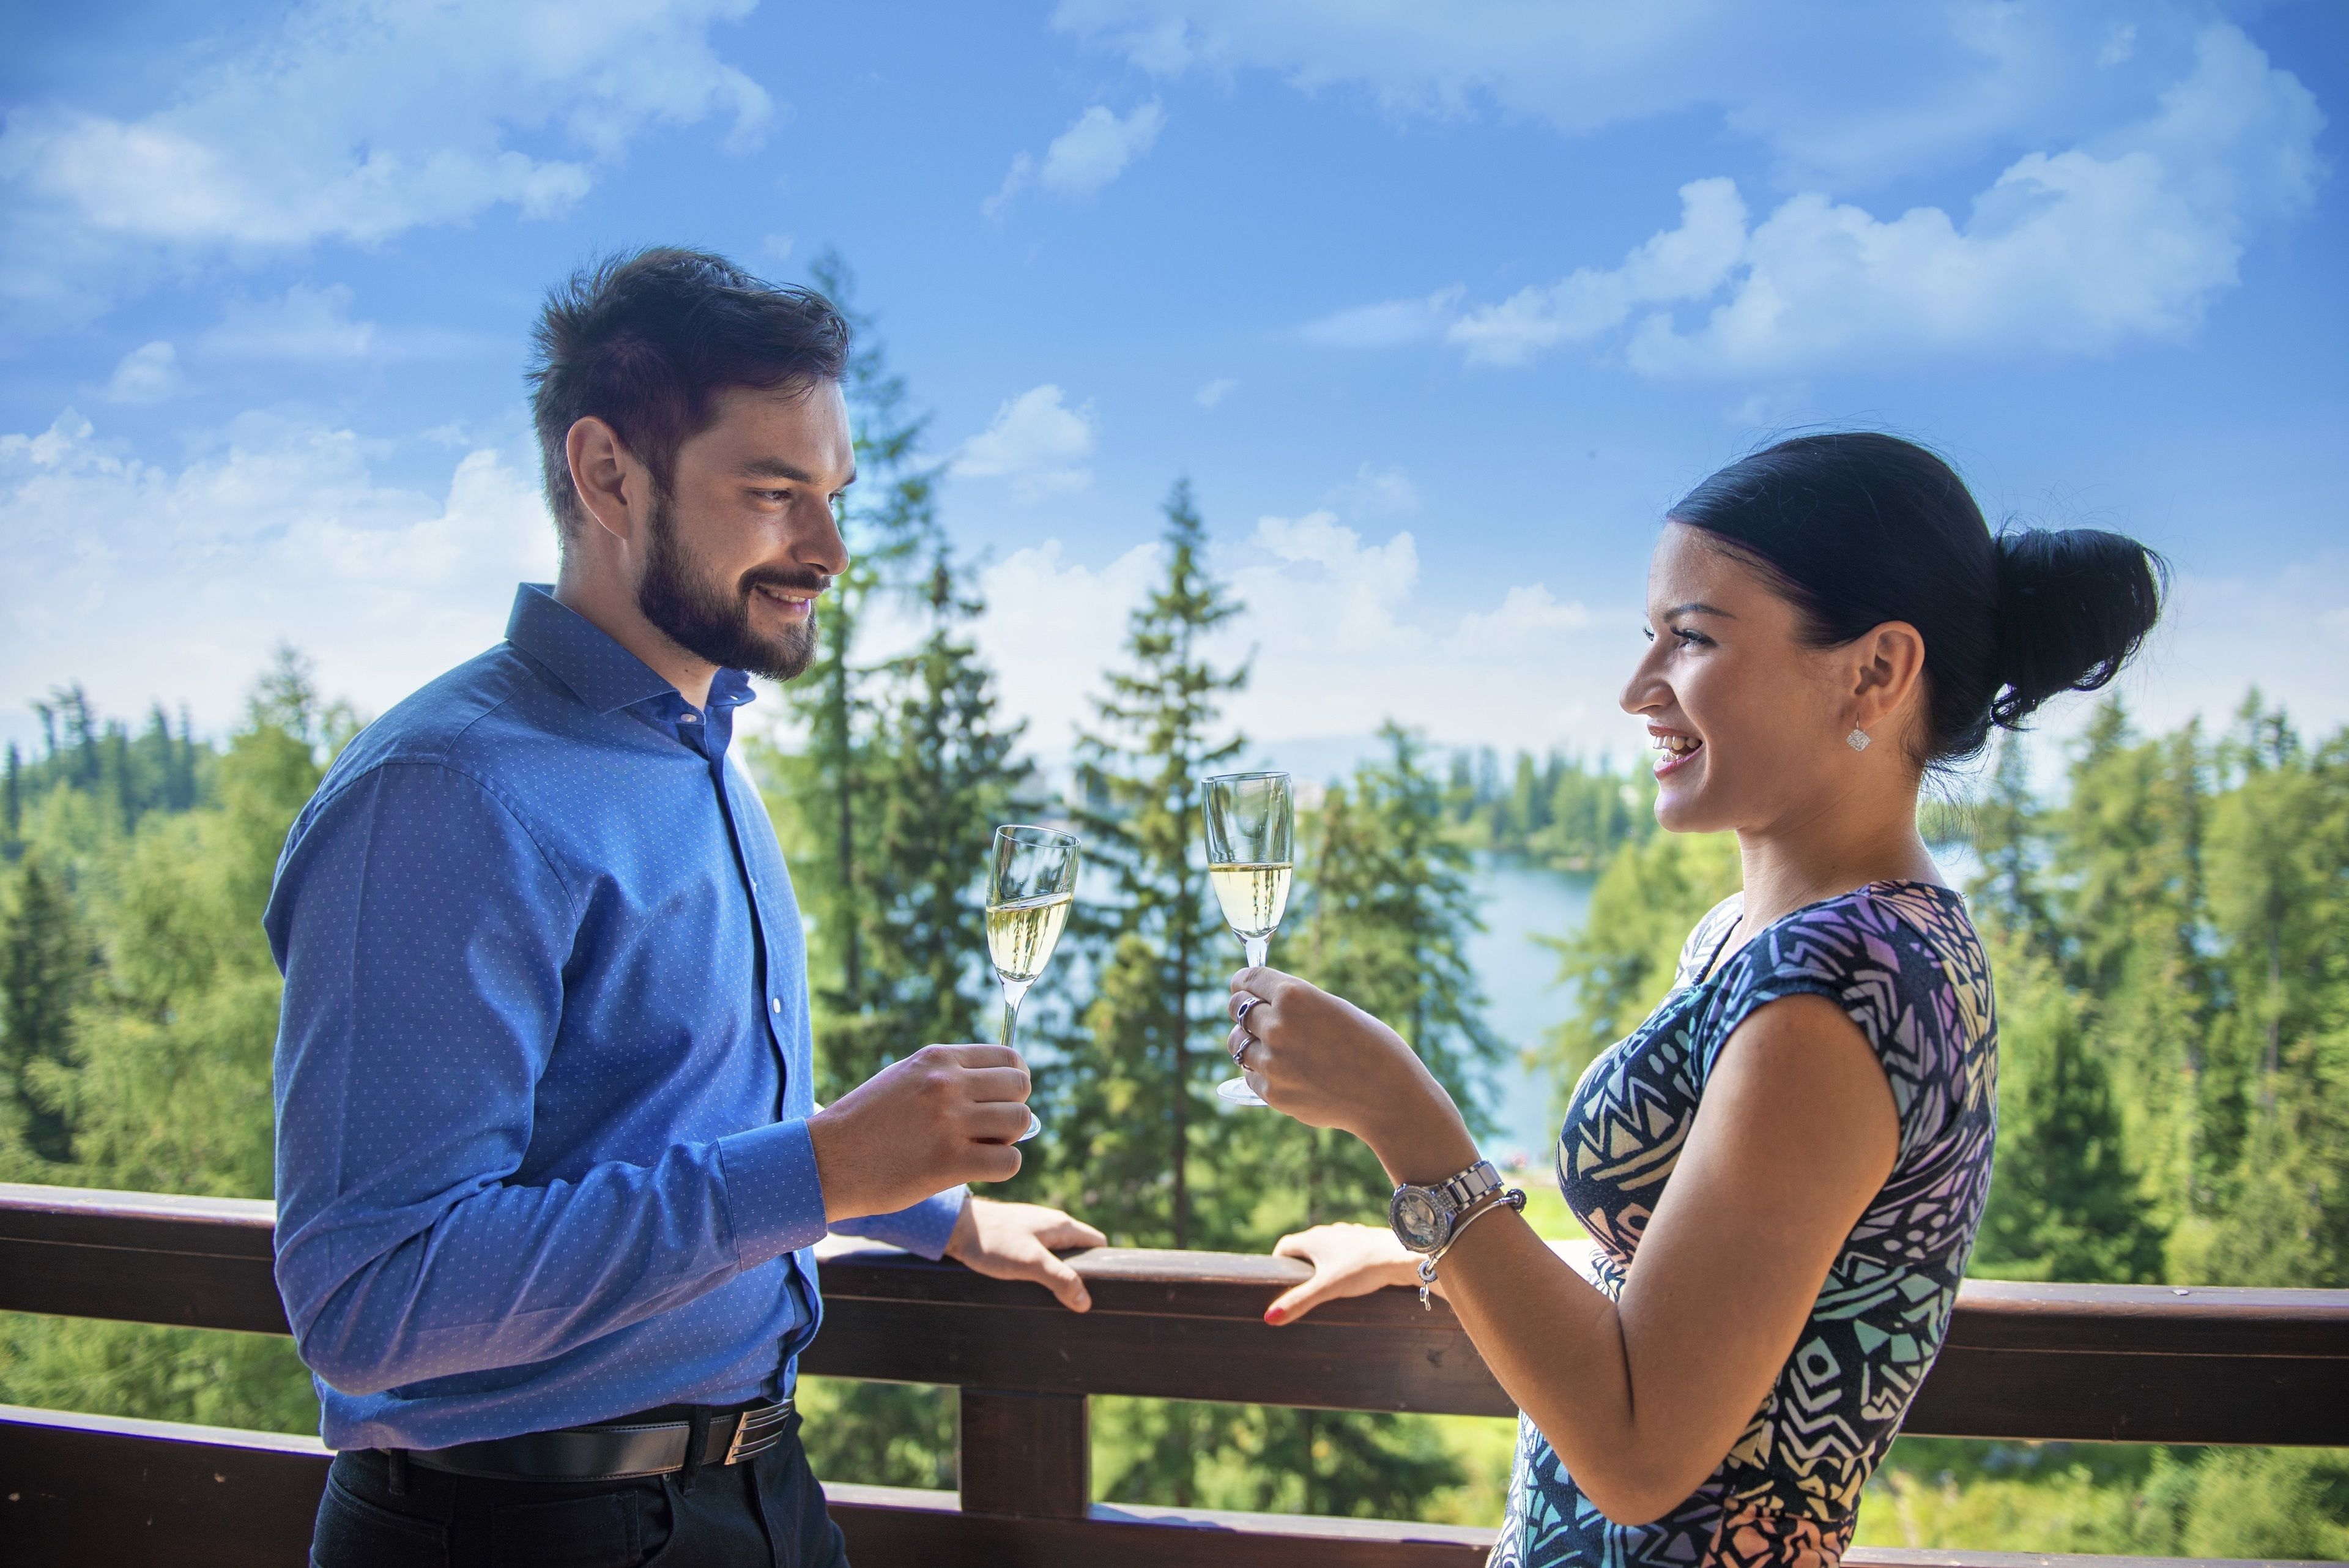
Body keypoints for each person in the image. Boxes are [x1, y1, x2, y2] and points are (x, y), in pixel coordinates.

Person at [266, 248, 1104, 1566]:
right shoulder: (446, 795)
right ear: (607, 474)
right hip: (517, 1530)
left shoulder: (694, 754)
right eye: (775, 494)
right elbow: (373, 1296)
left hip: (755, 1493)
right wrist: (829, 1167)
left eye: (832, 496)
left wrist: (933, 1214)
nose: (828, 550)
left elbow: (679, 1127)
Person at [1225, 433, 2165, 1568]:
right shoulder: (1783, 941)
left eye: (1694, 639)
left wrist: (1407, 1127)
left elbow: (1639, 1454)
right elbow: (1711, 1292)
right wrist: (1442, 1251)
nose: (1637, 690)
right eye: (1649, 637)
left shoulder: (1831, 996)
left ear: (1875, 671)